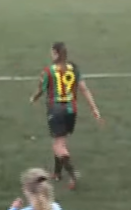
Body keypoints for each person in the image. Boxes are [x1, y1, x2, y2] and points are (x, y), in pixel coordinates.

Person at [30, 43, 102, 190]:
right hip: (71, 110)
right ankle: (57, 173)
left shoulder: (48, 71)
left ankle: (72, 172)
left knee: (58, 146)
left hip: (56, 110)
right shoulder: (74, 68)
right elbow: (84, 89)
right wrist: (94, 109)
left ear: (56, 53)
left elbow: (40, 90)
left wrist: (33, 98)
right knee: (60, 141)